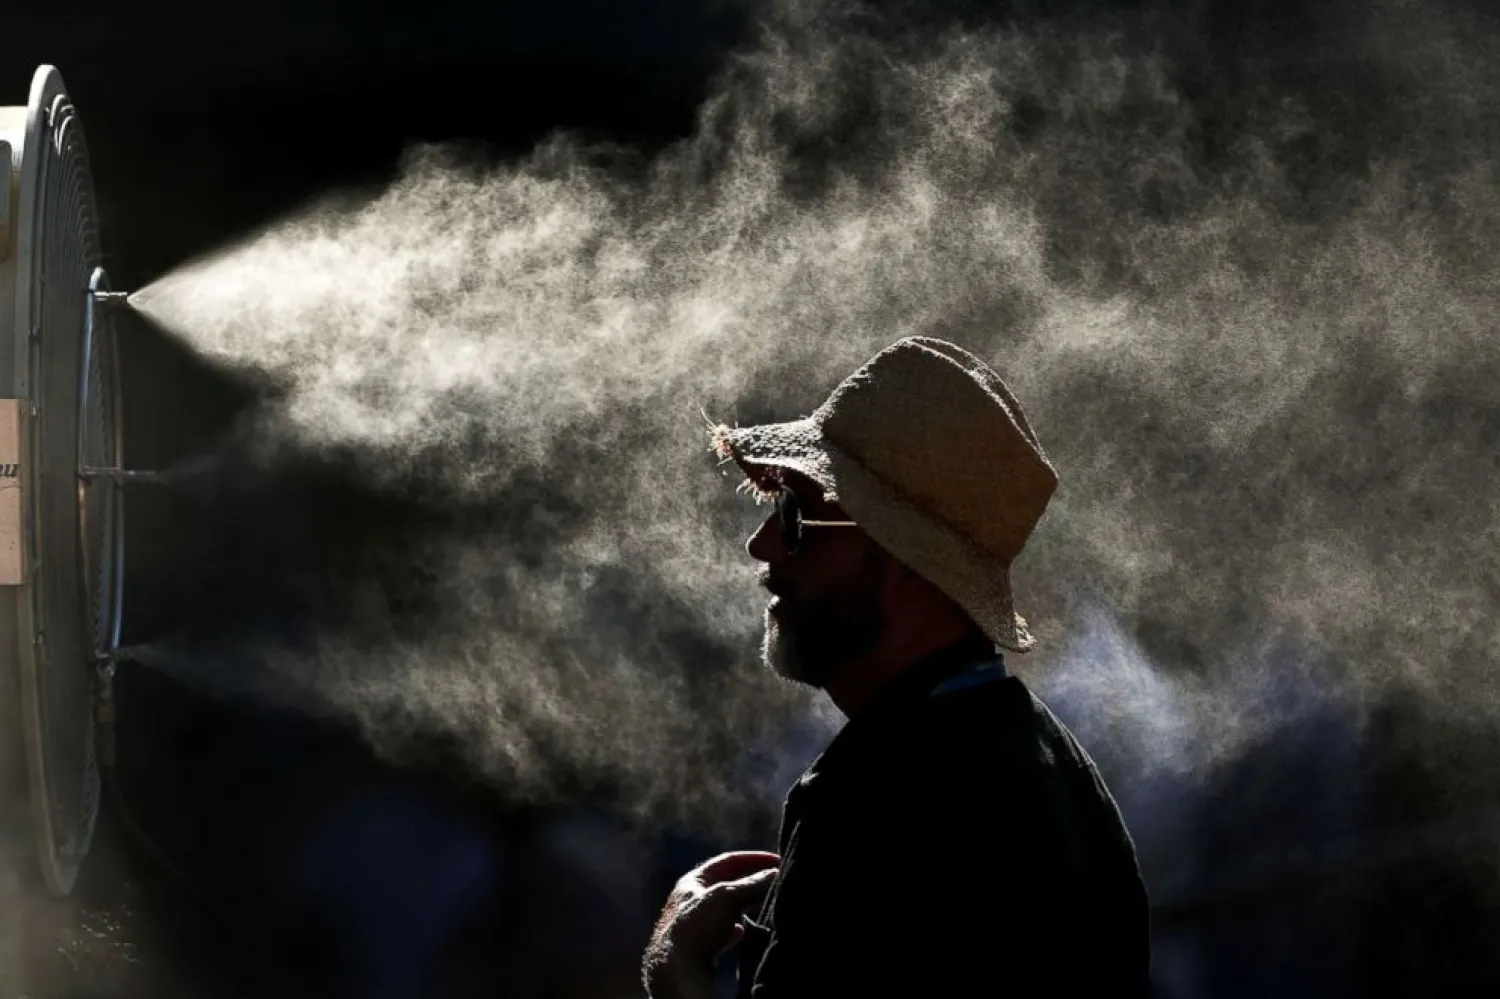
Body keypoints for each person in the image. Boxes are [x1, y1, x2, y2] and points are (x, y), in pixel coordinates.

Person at [641, 336, 1152, 998]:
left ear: (908, 564)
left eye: (798, 513)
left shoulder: (876, 794)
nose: (762, 542)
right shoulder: (1062, 772)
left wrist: (674, 967)